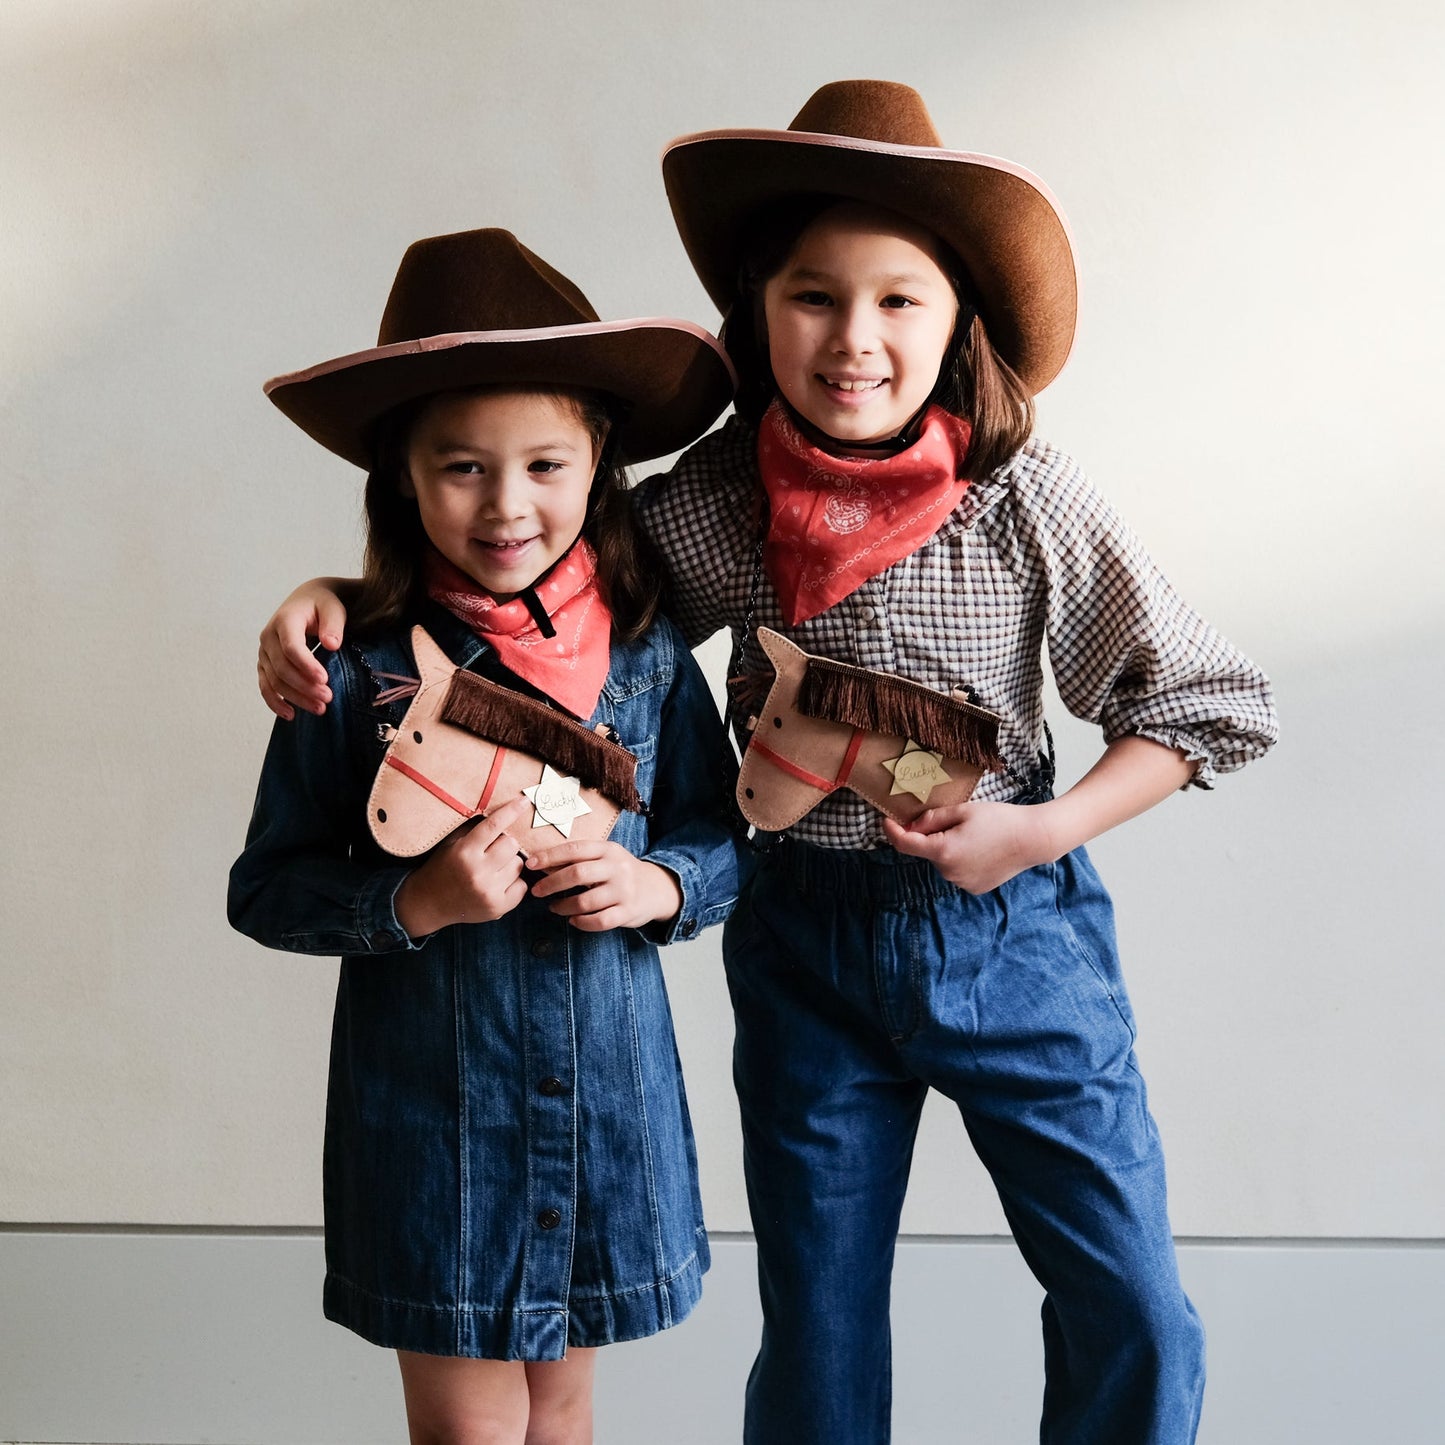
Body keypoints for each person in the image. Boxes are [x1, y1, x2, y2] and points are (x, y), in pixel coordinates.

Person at [251, 84, 1278, 1445]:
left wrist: (1042, 831)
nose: (854, 340)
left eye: (898, 302)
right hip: (804, 947)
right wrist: (338, 597)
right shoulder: (724, 502)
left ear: (961, 317)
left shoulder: (1027, 501)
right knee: (820, 1318)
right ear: (755, 309)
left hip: (1014, 936)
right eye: (812, 296)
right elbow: (535, 575)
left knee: (1128, 1296)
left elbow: (1207, 702)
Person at [228, 227, 749, 1445]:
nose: (507, 505)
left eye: (544, 465)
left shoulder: (640, 646)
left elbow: (729, 831)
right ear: (401, 476)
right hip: (434, 1128)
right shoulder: (348, 670)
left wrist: (658, 885)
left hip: (603, 1110)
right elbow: (266, 886)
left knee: (561, 1409)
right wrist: (413, 902)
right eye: (462, 467)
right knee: (467, 1428)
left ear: (598, 461)